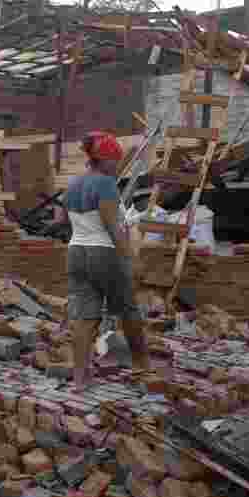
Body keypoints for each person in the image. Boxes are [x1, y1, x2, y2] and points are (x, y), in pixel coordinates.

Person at [64, 130, 151, 388]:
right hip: (103, 253)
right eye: (116, 160)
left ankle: (80, 378)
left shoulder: (74, 183)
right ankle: (141, 363)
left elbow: (61, 221)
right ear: (105, 160)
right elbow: (112, 226)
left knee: (83, 316)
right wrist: (131, 259)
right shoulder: (104, 184)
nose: (118, 166)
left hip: (76, 251)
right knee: (127, 309)